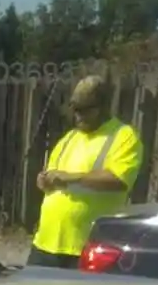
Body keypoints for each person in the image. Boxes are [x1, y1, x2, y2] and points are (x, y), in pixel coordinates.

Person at [28, 75, 144, 269]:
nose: (78, 116)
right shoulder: (70, 137)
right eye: (75, 110)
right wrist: (44, 181)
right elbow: (52, 176)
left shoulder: (123, 136)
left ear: (103, 106)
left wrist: (72, 177)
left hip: (87, 247)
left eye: (84, 110)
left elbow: (119, 180)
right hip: (46, 244)